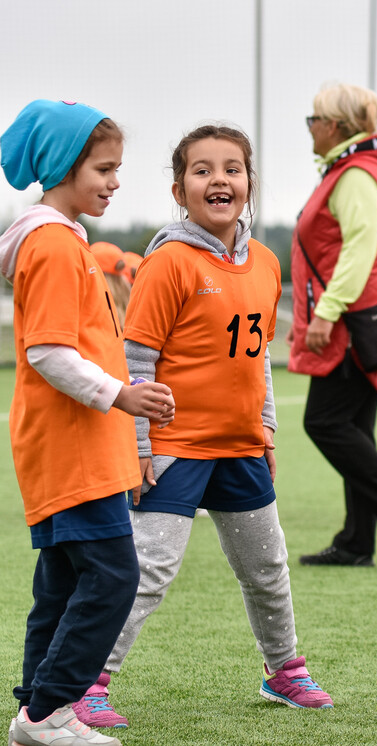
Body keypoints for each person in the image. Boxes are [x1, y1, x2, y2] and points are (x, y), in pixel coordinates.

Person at [73, 124, 334, 729]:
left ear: (249, 183)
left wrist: (266, 430)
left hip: (241, 449)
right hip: (174, 448)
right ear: (179, 188)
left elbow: (259, 357)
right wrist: (138, 447)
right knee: (147, 574)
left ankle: (283, 671)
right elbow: (136, 362)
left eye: (232, 169)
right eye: (202, 170)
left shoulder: (266, 264)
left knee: (267, 569)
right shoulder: (168, 263)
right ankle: (89, 680)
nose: (219, 179)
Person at [0, 100, 174, 746]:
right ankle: (49, 711)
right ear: (63, 167)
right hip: (69, 449)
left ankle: (38, 713)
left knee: (64, 584)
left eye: (117, 168)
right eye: (103, 168)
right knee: (113, 575)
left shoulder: (62, 239)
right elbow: (48, 351)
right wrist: (121, 396)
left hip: (77, 448)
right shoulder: (49, 243)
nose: (115, 181)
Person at [291, 83, 377, 568]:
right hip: (359, 316)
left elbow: (359, 249)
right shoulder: (351, 170)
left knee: (324, 422)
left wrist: (327, 312)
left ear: (336, 127)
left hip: (351, 322)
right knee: (353, 427)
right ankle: (356, 541)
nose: (309, 128)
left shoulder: (356, 175)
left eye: (313, 119)